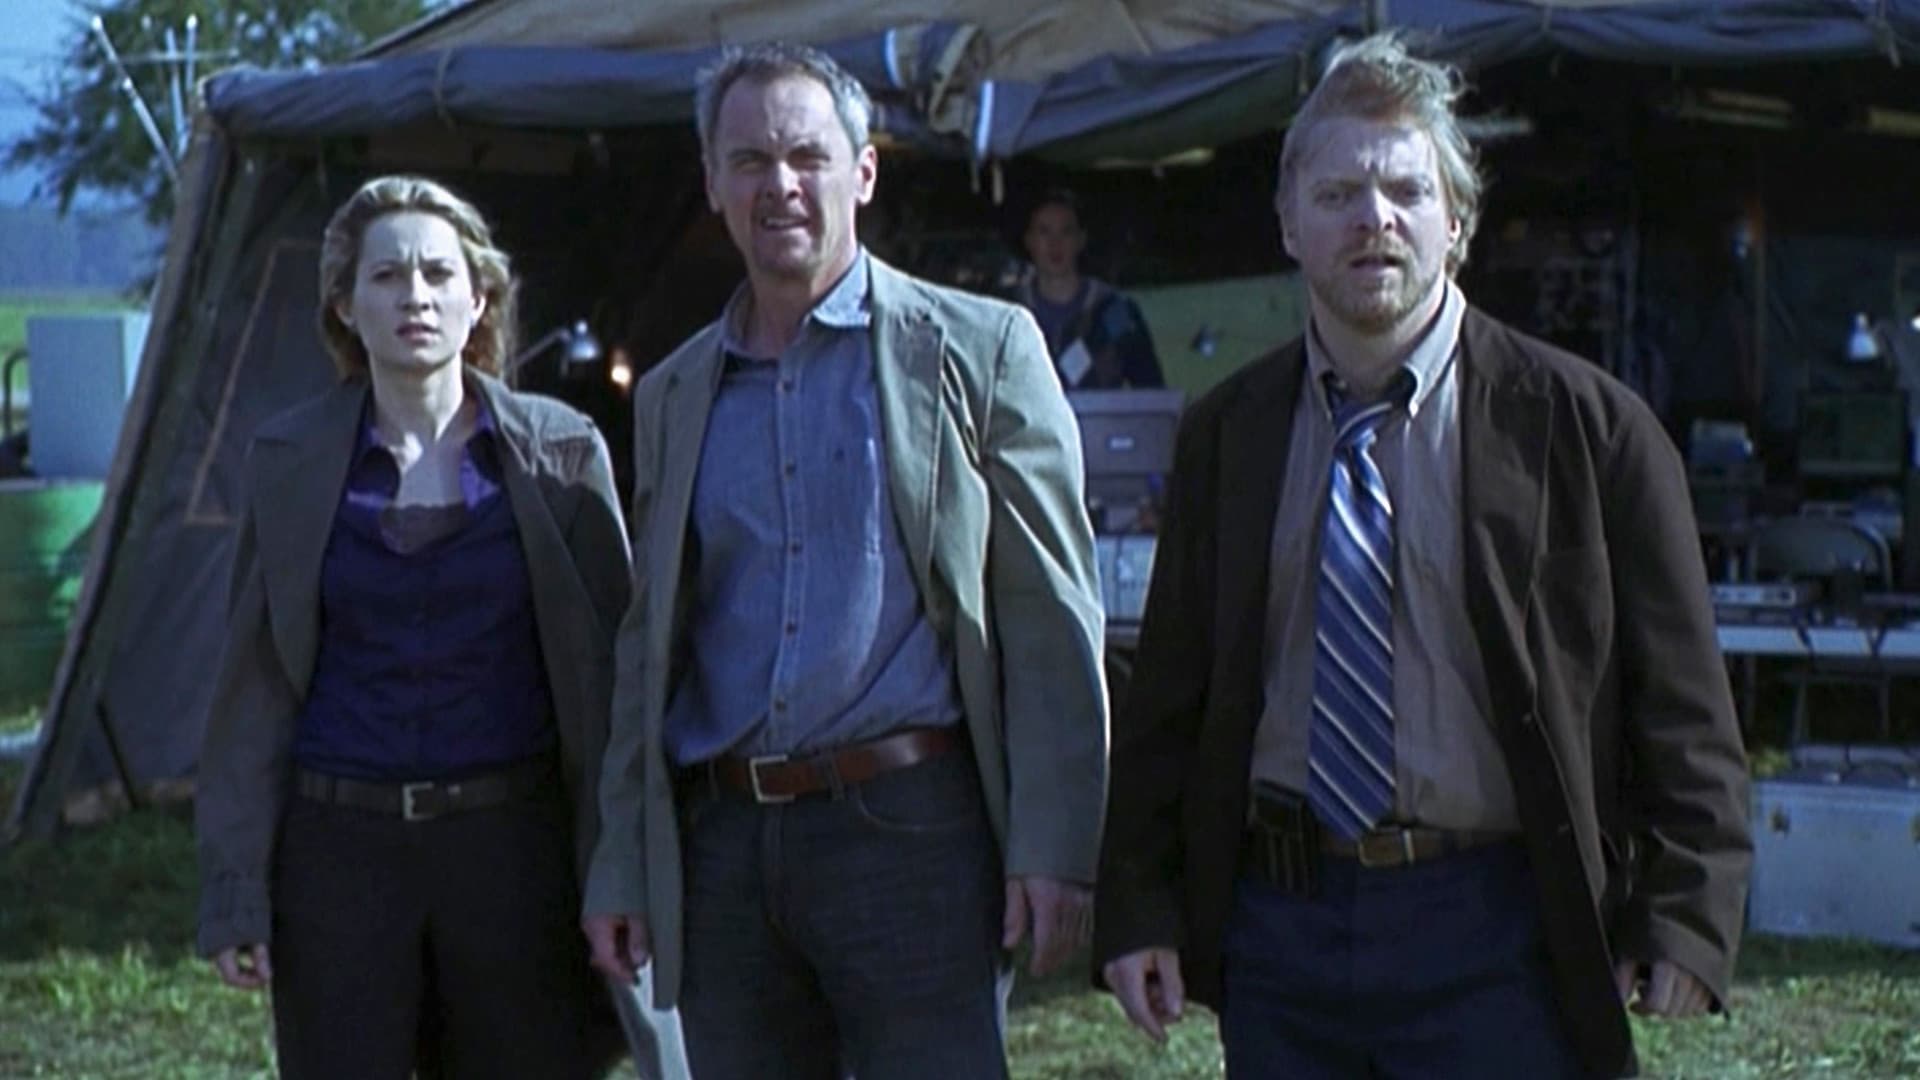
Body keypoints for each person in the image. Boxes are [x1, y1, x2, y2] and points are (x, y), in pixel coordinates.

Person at [1094, 35, 1751, 1080]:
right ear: (1288, 223)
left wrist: (1685, 913)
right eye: (1338, 193)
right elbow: (1168, 696)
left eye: (1406, 189)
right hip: (1282, 931)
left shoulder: (1589, 429)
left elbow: (1685, 705)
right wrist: (1138, 903)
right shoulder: (1228, 433)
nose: (1375, 218)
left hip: (1501, 926)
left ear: (1459, 220)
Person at [582, 42, 1109, 1080]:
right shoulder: (676, 390)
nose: (779, 183)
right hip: (726, 848)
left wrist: (1057, 847)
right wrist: (624, 858)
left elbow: (1051, 616)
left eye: (807, 156)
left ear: (863, 172)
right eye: (749, 160)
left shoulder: (981, 349)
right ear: (713, 183)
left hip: (911, 832)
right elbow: (651, 645)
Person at [194, 174, 641, 1078]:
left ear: (480, 299)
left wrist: (621, 869)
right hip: (341, 855)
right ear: (345, 305)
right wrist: (236, 887)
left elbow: (614, 688)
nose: (416, 297)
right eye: (388, 276)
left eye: (439, 274)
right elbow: (253, 690)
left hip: (512, 850)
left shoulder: (559, 454)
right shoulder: (289, 460)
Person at [1017, 188, 1166, 390]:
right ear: (1029, 240)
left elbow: (1151, 389)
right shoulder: (1012, 313)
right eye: (1044, 232)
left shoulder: (1116, 312)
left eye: (1066, 231)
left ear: (1081, 240)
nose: (1055, 244)